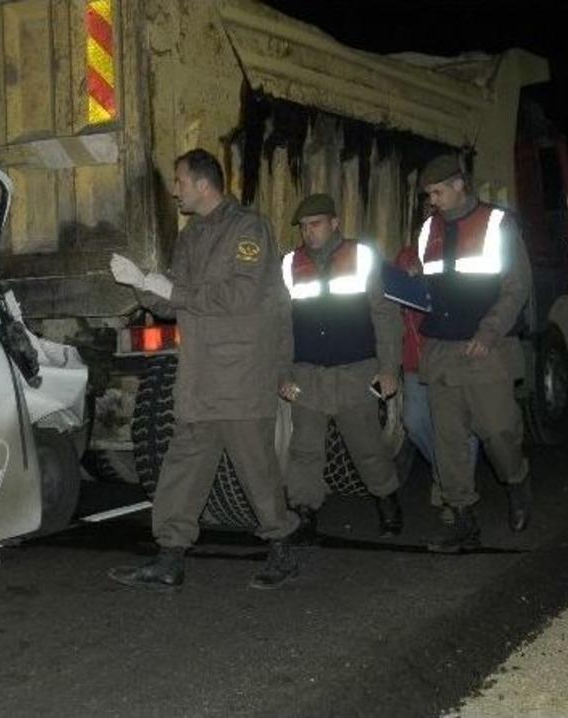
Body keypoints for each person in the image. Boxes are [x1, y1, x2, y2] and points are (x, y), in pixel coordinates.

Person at [107, 148, 300, 591]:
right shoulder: (193, 234)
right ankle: (170, 556)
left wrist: (166, 288)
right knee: (183, 467)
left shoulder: (248, 228)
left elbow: (239, 296)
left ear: (202, 183)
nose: (175, 190)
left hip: (239, 374)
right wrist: (141, 285)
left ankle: (283, 548)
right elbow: (175, 297)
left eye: (179, 181)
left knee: (256, 467)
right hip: (200, 376)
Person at [416, 154, 533, 552]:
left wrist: (488, 331)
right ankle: (464, 519)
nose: (433, 201)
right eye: (429, 194)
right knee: (448, 441)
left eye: (438, 192)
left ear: (459, 184)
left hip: (486, 348)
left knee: (499, 431)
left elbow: (517, 287)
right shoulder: (428, 229)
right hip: (442, 351)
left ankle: (516, 481)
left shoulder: (497, 223)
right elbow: (431, 285)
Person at [278, 194, 404, 539]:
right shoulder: (289, 264)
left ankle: (387, 501)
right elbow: (281, 325)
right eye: (303, 227)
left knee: (367, 446)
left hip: (355, 372)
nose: (308, 232)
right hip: (308, 375)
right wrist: (283, 374)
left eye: (315, 224)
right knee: (304, 450)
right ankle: (304, 514)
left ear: (335, 223)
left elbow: (386, 315)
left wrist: (389, 368)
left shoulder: (361, 256)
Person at [394, 244, 479, 524]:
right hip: (415, 359)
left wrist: (427, 281)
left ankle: (457, 496)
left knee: (460, 426)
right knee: (415, 421)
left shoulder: (463, 252)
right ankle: (446, 475)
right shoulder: (406, 255)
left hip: (451, 353)